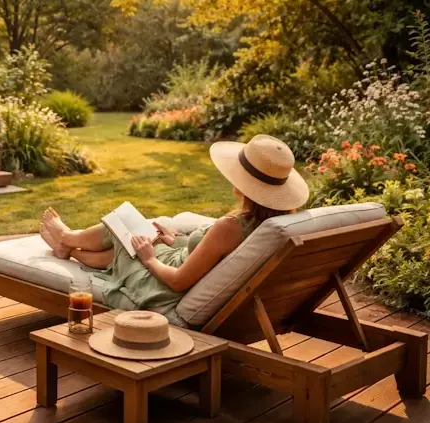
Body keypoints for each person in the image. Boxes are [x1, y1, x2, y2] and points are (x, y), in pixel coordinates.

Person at [39, 134, 310, 317]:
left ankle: (67, 237)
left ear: (244, 184)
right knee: (135, 238)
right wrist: (174, 240)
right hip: (179, 260)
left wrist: (149, 259)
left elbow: (179, 282)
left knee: (121, 226)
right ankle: (69, 250)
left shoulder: (231, 226)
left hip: (164, 285)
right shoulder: (275, 223)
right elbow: (214, 255)